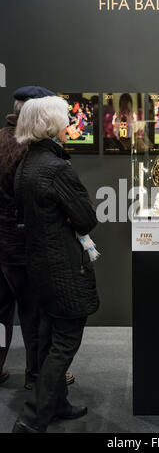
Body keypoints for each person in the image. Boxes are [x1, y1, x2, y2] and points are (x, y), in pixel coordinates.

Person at [12, 96, 99, 433]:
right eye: (65, 120)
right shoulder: (57, 168)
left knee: (49, 338)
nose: (69, 126)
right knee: (64, 344)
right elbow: (86, 219)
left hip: (40, 266)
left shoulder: (26, 165)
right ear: (51, 126)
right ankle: (32, 419)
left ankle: (57, 404)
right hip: (63, 268)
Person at [0, 85, 76, 390]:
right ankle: (38, 377)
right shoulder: (31, 147)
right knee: (34, 315)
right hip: (25, 244)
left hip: (3, 243)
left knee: (1, 310)